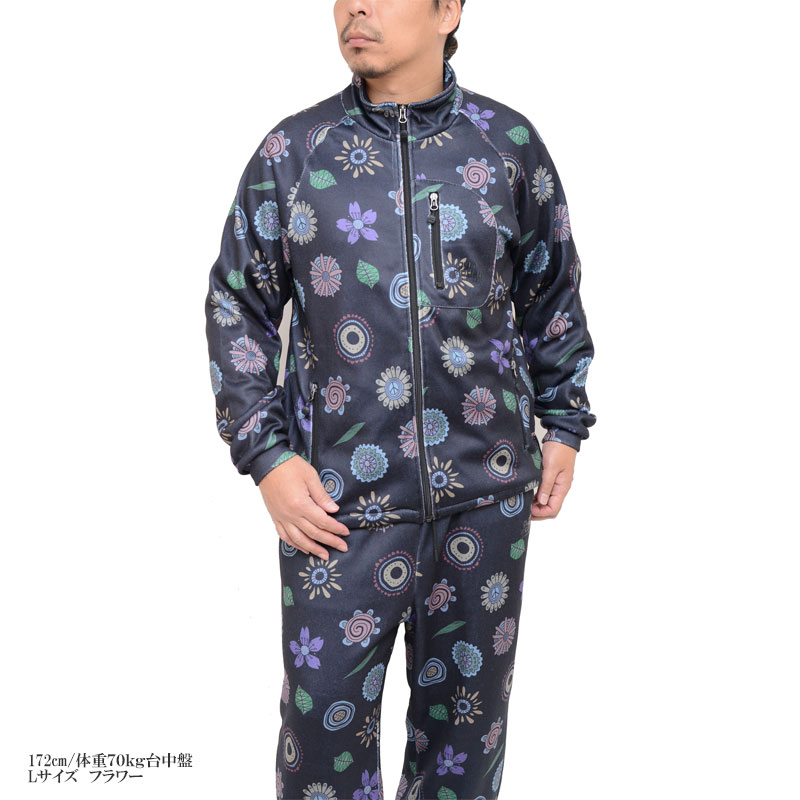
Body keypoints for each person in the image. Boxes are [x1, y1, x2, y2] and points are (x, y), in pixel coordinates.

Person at [204, 1, 597, 797]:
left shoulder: (506, 146)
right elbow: (237, 304)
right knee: (321, 748)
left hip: (485, 501)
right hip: (336, 509)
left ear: (448, 9)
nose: (356, 7)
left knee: (465, 751)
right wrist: (267, 457)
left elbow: (550, 293)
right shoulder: (294, 153)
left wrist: (564, 421)